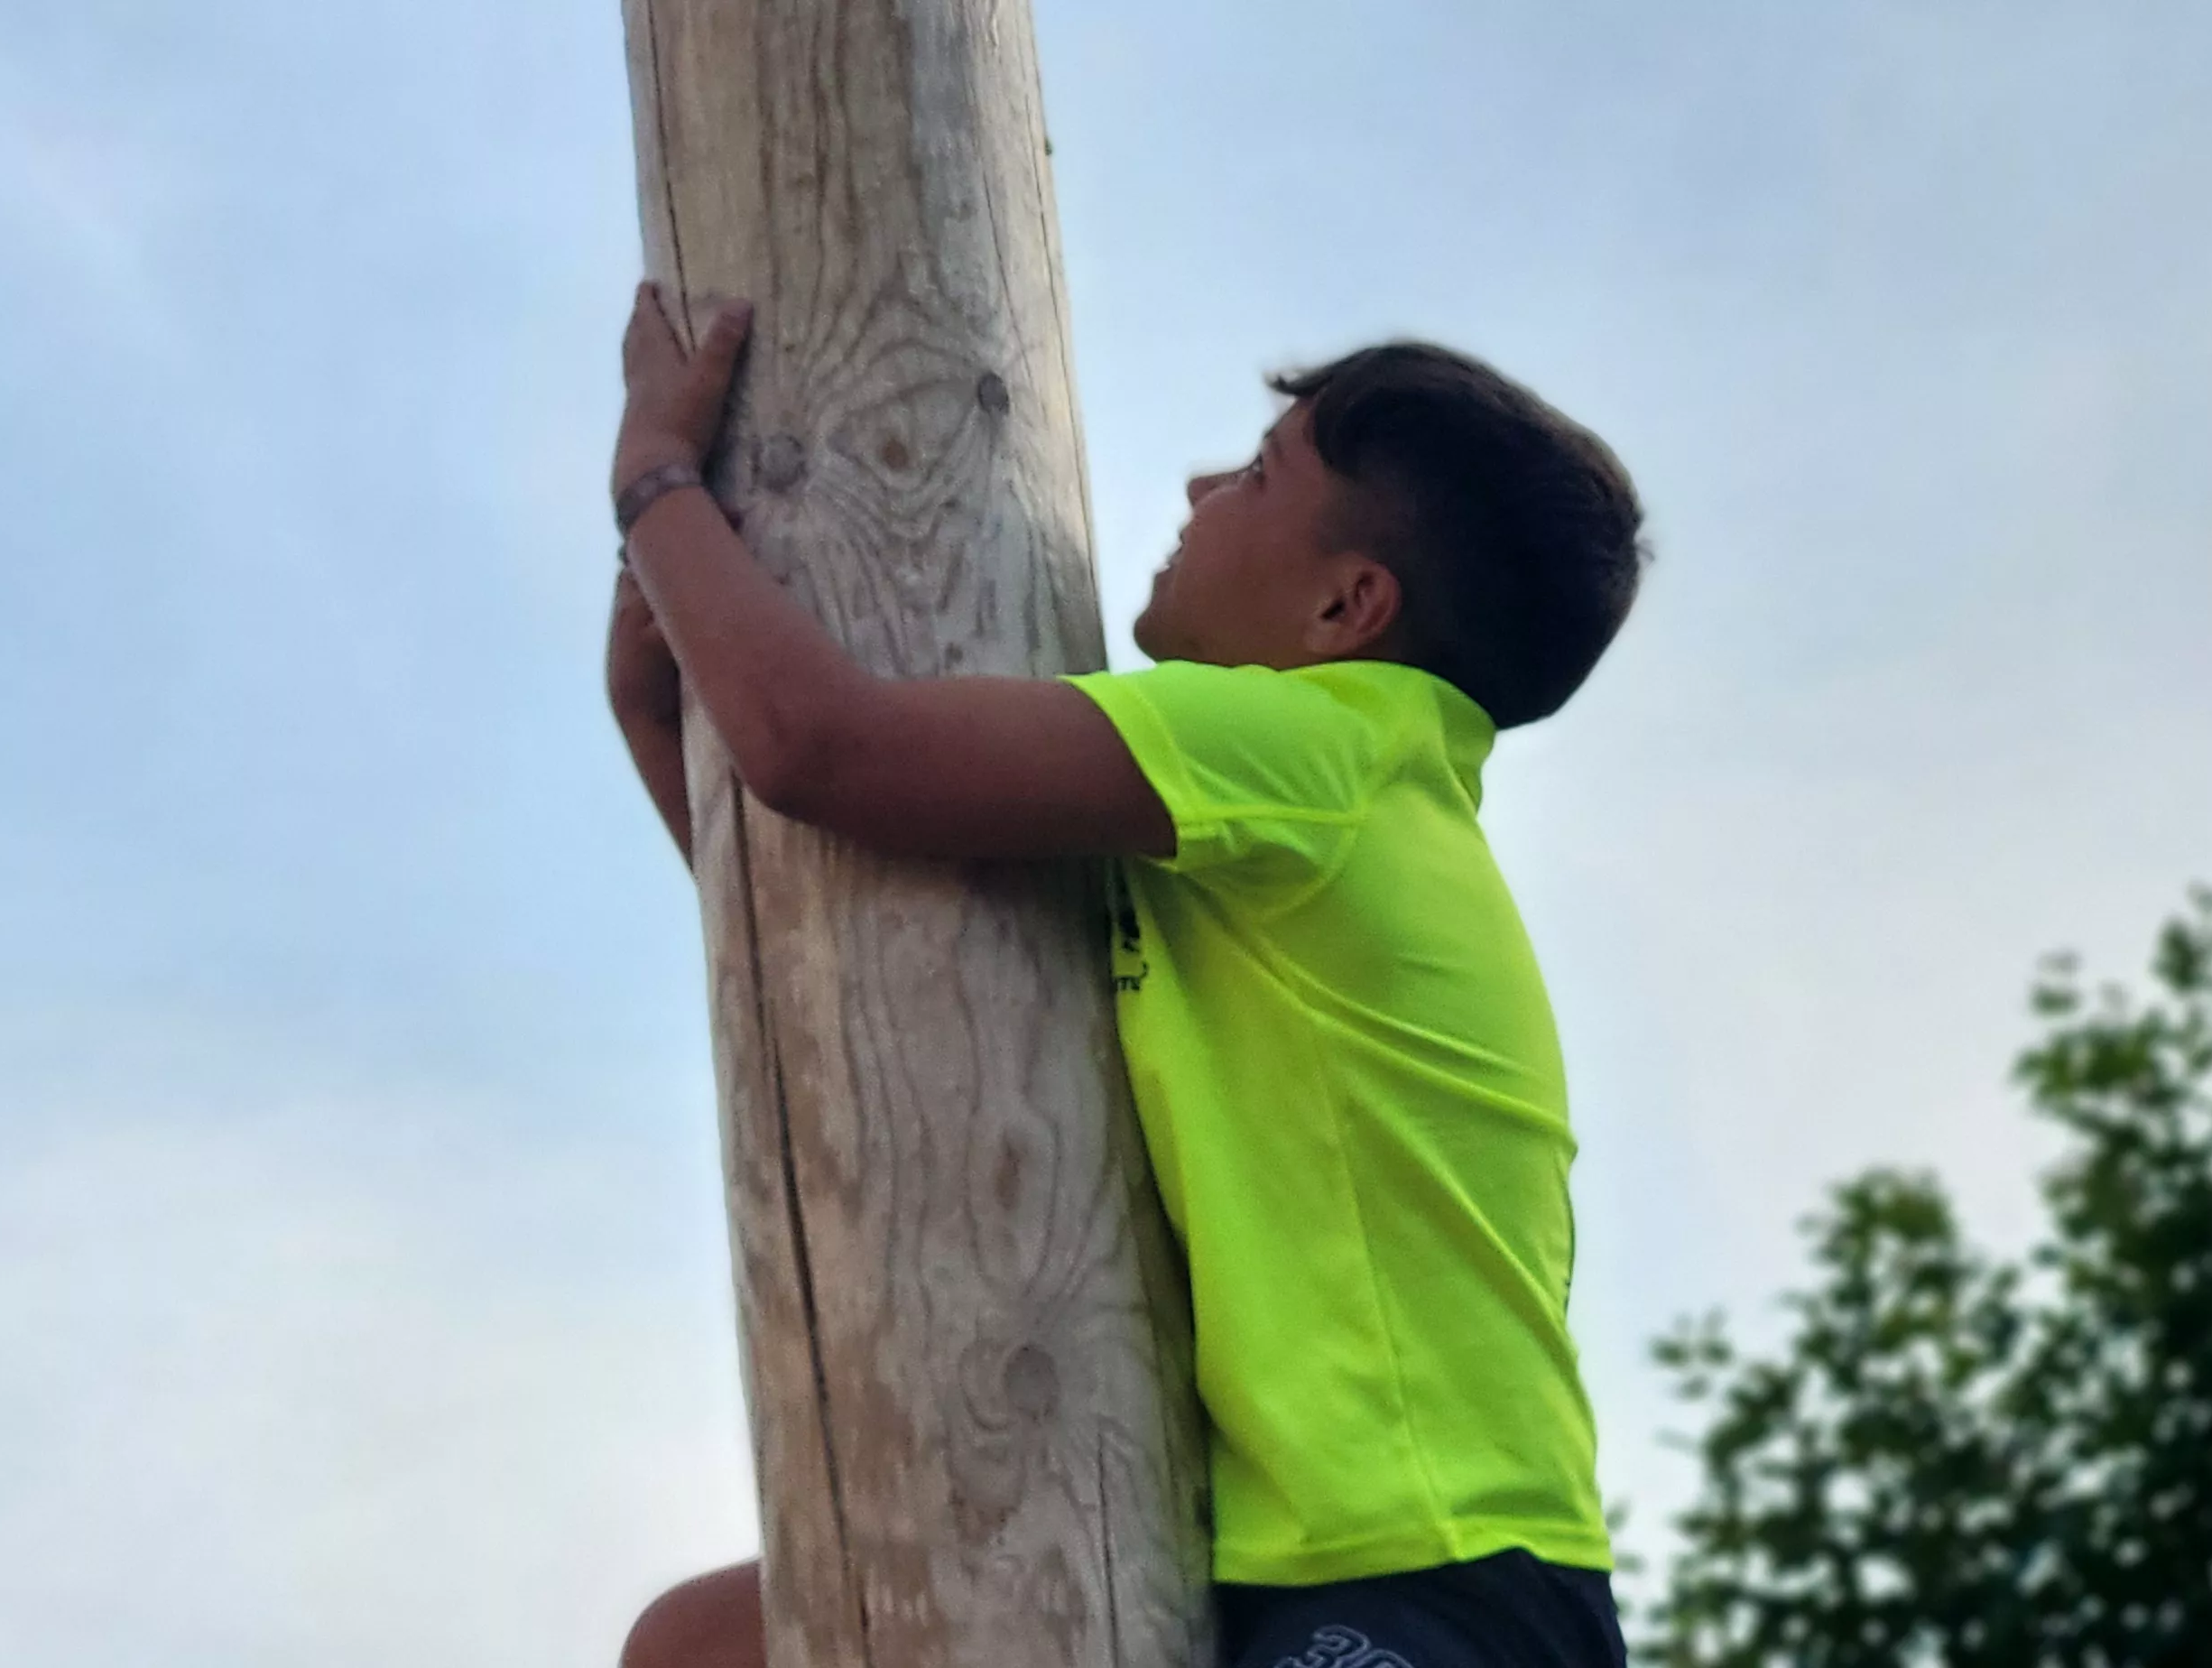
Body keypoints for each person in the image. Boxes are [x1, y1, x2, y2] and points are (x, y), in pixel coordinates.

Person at [600, 281, 1647, 1668]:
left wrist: (657, 484)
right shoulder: (1247, 848)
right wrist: (659, 702)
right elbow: (882, 959)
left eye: (1263, 475)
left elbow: (820, 749)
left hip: (1435, 1571)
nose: (1205, 483)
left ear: (1347, 605)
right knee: (697, 1651)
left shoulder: (1321, 754)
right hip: (1233, 1552)